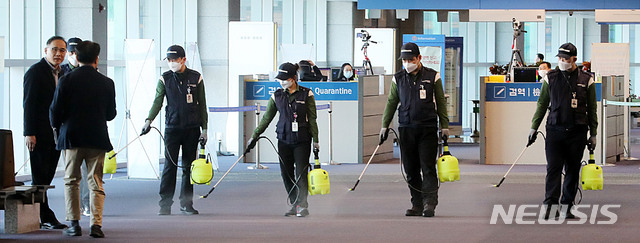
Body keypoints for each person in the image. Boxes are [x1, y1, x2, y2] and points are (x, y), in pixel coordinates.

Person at [49, 40, 116, 238]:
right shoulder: (107, 83)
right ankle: (96, 225)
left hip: (71, 138)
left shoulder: (66, 80)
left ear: (76, 58)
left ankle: (74, 224)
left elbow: (55, 111)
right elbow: (111, 114)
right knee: (96, 181)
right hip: (97, 138)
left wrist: (58, 126)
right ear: (97, 59)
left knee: (71, 180)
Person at [379, 42, 449, 217]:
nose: (407, 63)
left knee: (427, 167)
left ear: (419, 58)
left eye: (410, 59)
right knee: (410, 169)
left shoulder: (433, 76)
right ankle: (416, 203)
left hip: (427, 128)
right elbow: (391, 102)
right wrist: (384, 125)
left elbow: (441, 102)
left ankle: (429, 203)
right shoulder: (398, 78)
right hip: (406, 128)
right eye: (404, 60)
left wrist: (445, 126)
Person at [528, 43, 597, 219]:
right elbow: (542, 104)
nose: (561, 61)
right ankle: (550, 206)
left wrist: (594, 134)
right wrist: (533, 127)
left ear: (574, 59)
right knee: (553, 169)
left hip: (578, 131)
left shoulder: (586, 79)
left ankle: (567, 205)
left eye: (565, 59)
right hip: (554, 130)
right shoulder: (550, 78)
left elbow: (592, 109)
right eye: (559, 58)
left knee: (573, 170)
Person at [140, 45, 208, 216]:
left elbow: (202, 105)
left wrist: (204, 129)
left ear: (183, 60)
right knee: (169, 167)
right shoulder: (165, 79)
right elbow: (157, 101)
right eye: (169, 60)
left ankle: (186, 204)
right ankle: (165, 204)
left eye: (174, 60)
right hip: (172, 128)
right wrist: (149, 120)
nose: (171, 63)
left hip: (192, 129)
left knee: (188, 167)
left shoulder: (196, 77)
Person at [246, 62, 319, 217]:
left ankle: (303, 206)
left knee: (301, 173)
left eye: (285, 79)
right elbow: (266, 119)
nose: (282, 81)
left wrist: (316, 141)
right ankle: (295, 203)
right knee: (286, 174)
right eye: (280, 79)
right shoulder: (277, 96)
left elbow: (312, 119)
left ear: (293, 78)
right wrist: (254, 136)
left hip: (302, 140)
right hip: (283, 140)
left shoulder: (307, 94)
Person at [23, 35, 68, 230]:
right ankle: (45, 216)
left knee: (48, 175)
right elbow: (29, 104)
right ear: (46, 51)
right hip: (39, 132)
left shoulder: (63, 73)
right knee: (40, 176)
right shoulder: (35, 72)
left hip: (57, 133)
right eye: (54, 49)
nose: (58, 54)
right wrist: (29, 132)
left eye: (62, 50)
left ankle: (42, 214)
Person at [60, 37, 91, 217]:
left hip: (88, 130)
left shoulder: (91, 73)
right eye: (69, 52)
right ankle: (74, 210)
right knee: (71, 174)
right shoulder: (62, 74)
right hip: (69, 130)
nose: (72, 56)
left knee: (88, 172)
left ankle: (86, 204)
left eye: (74, 53)